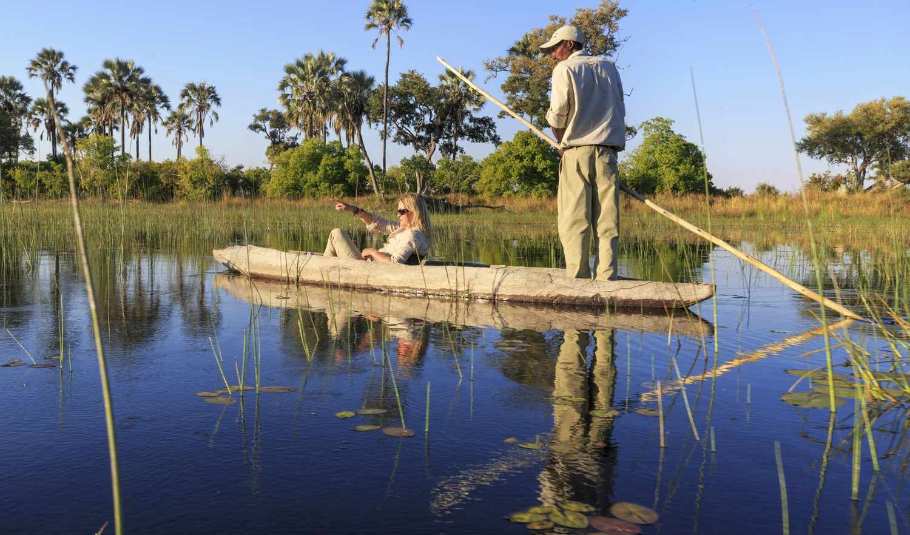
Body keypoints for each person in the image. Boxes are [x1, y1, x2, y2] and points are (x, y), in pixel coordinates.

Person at [540, 25, 626, 281]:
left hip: (576, 152)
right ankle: (607, 279)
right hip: (607, 154)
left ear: (568, 43)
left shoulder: (564, 69)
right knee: (607, 221)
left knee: (574, 220)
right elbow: (620, 106)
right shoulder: (610, 67)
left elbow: (557, 117)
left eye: (555, 48)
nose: (553, 55)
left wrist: (561, 144)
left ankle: (577, 281)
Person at [324, 193, 432, 264]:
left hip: (366, 269)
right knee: (336, 235)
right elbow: (378, 223)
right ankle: (324, 267)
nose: (398, 215)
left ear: (415, 211)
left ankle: (321, 268)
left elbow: (395, 263)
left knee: (336, 233)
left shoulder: (413, 234)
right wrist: (352, 209)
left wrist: (372, 252)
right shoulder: (405, 229)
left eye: (401, 211)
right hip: (369, 264)